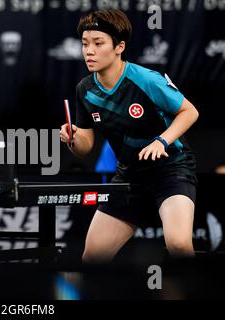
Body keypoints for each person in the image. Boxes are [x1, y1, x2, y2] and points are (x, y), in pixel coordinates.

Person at [60, 9, 199, 263]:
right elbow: (85, 147)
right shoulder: (85, 90)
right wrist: (72, 139)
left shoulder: (145, 79)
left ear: (119, 47)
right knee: (92, 257)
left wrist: (162, 140)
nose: (89, 51)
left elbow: (189, 112)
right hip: (130, 175)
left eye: (98, 43)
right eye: (85, 44)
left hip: (170, 169)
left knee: (179, 245)